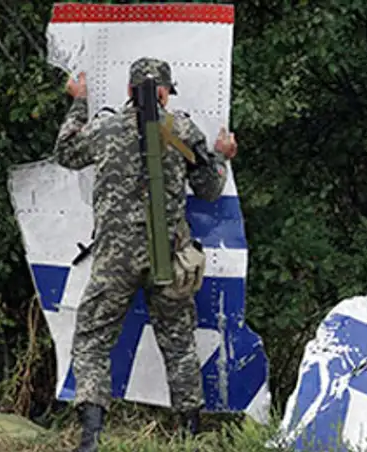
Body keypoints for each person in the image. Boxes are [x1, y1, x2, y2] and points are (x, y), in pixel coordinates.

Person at [52, 57, 237, 452]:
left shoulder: (104, 128)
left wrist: (80, 101)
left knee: (92, 338)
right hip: (167, 255)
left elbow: (65, 152)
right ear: (165, 93)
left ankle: (91, 436)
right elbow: (208, 188)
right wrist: (223, 154)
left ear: (130, 92)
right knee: (178, 341)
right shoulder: (182, 130)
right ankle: (189, 433)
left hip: (114, 258)